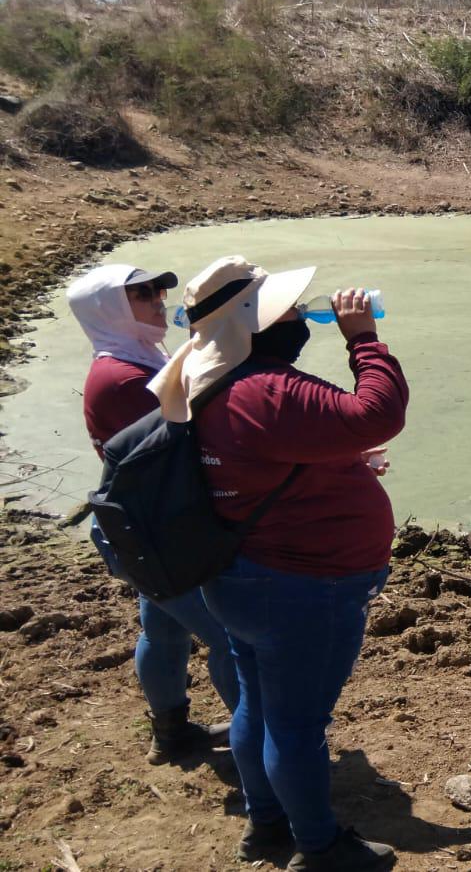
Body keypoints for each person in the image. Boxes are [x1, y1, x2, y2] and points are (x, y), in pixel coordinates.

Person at [150, 257, 408, 871]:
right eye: (287, 308)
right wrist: (365, 341)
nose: (299, 316)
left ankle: (266, 824)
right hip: (304, 587)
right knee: (296, 726)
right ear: (252, 320)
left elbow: (265, 454)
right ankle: (317, 847)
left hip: (244, 578)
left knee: (258, 707)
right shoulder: (266, 389)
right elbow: (379, 414)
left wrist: (336, 461)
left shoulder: (214, 378)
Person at [66, 264, 238, 764]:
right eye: (141, 293)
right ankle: (263, 750)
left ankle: (171, 733)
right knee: (230, 638)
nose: (158, 299)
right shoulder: (126, 380)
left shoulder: (132, 360)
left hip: (136, 526)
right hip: (158, 532)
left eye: (160, 289)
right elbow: (190, 445)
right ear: (109, 311)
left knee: (163, 629)